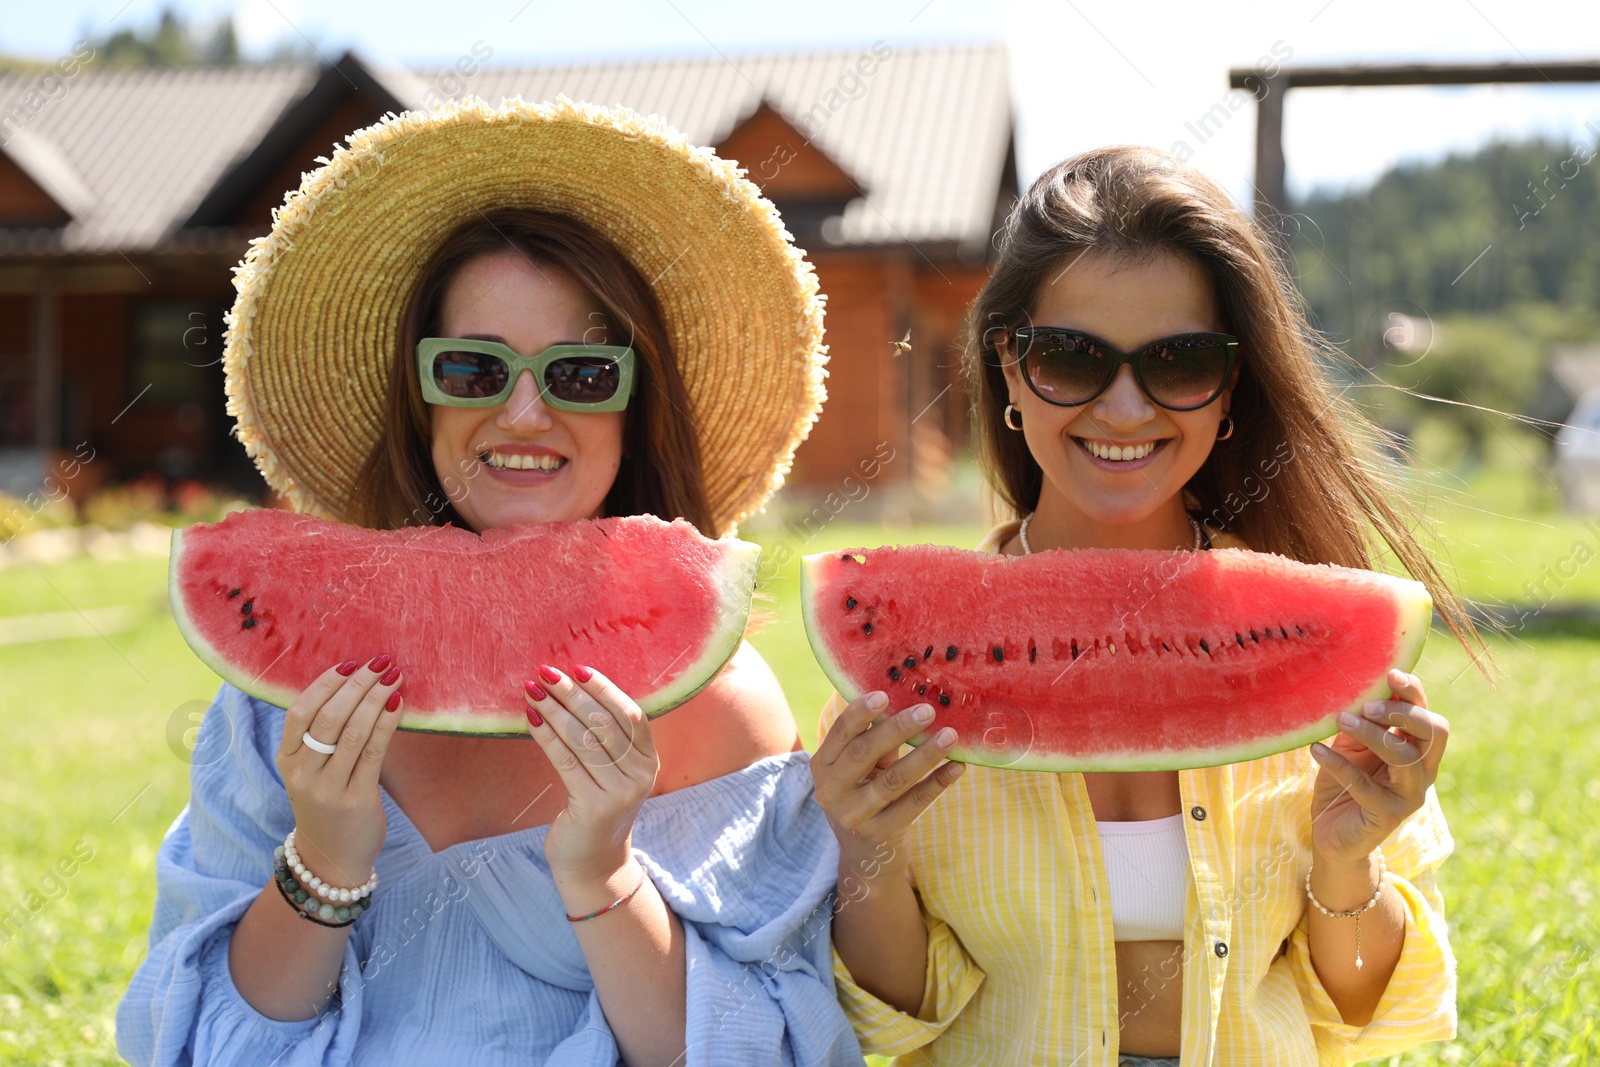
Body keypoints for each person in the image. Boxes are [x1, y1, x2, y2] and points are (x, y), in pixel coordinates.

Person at [117, 97, 860, 1067]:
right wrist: (325, 857)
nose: (521, 413)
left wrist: (602, 870)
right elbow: (203, 1039)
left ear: (636, 409)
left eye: (581, 375)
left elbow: (763, 1046)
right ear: (418, 396)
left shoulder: (718, 703)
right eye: (471, 368)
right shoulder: (284, 696)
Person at [812, 146, 1482, 1066]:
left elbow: (1364, 1007)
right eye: (1071, 356)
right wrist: (866, 852)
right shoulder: (910, 675)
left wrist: (1346, 853)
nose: (1125, 408)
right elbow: (890, 1020)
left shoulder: (1324, 658)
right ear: (1009, 368)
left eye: (1179, 361)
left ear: (1229, 387)